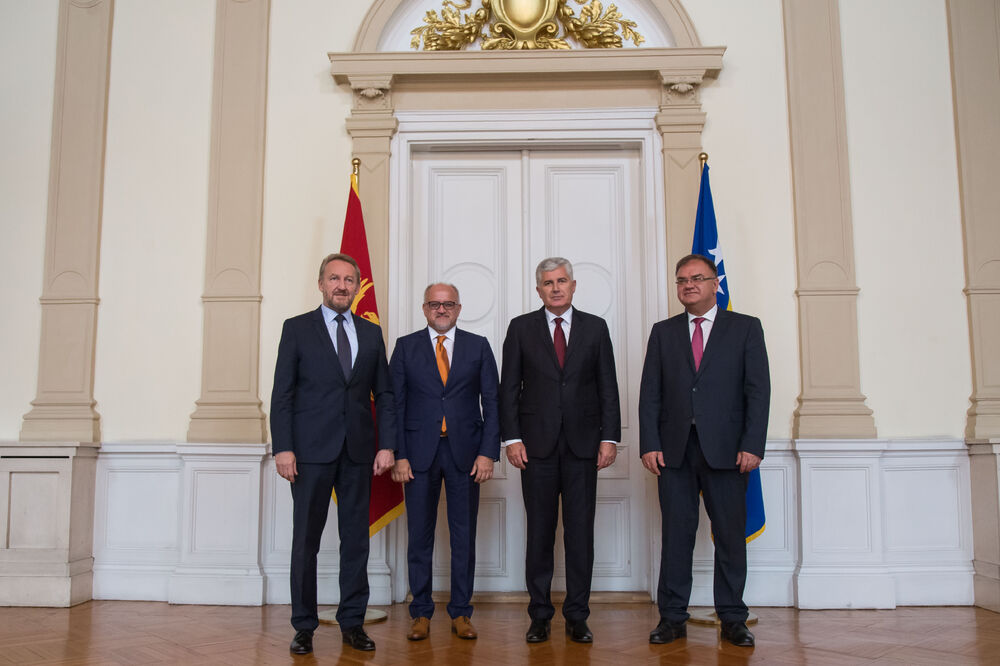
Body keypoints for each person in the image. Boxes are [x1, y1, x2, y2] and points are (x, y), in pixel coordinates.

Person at [638, 253, 770, 648]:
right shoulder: (664, 332)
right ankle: (672, 618)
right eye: (681, 280)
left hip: (729, 452)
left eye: (697, 278)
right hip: (674, 453)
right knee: (676, 537)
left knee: (729, 537)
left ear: (716, 284)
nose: (688, 285)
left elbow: (758, 392)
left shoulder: (745, 328)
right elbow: (650, 395)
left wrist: (752, 445)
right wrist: (650, 444)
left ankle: (732, 618)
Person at [270, 252, 397, 655]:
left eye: (348, 280)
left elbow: (386, 394)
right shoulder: (296, 329)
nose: (341, 285)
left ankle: (352, 623)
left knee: (356, 541)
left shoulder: (372, 333)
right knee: (306, 541)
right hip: (308, 452)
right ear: (321, 284)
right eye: (333, 278)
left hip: (359, 451)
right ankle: (304, 626)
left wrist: (387, 444)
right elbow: (282, 394)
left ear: (358, 287)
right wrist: (284, 448)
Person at [499, 257, 621, 644]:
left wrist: (610, 437)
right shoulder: (520, 328)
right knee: (540, 532)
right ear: (538, 290)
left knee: (580, 533)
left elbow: (608, 387)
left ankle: (577, 615)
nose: (555, 288)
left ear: (573, 285)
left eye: (561, 281)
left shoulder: (595, 328)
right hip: (534, 448)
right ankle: (539, 615)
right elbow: (508, 390)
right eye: (548, 283)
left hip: (584, 446)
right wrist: (511, 438)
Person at [389, 283, 500, 641]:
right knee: (419, 536)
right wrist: (399, 455)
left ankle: (461, 613)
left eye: (448, 304)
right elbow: (395, 404)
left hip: (465, 455)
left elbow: (492, 404)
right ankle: (420, 612)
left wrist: (487, 452)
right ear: (424, 308)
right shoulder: (405, 348)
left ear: (458, 308)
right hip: (417, 455)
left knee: (463, 536)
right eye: (434, 304)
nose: (441, 309)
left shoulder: (478, 346)